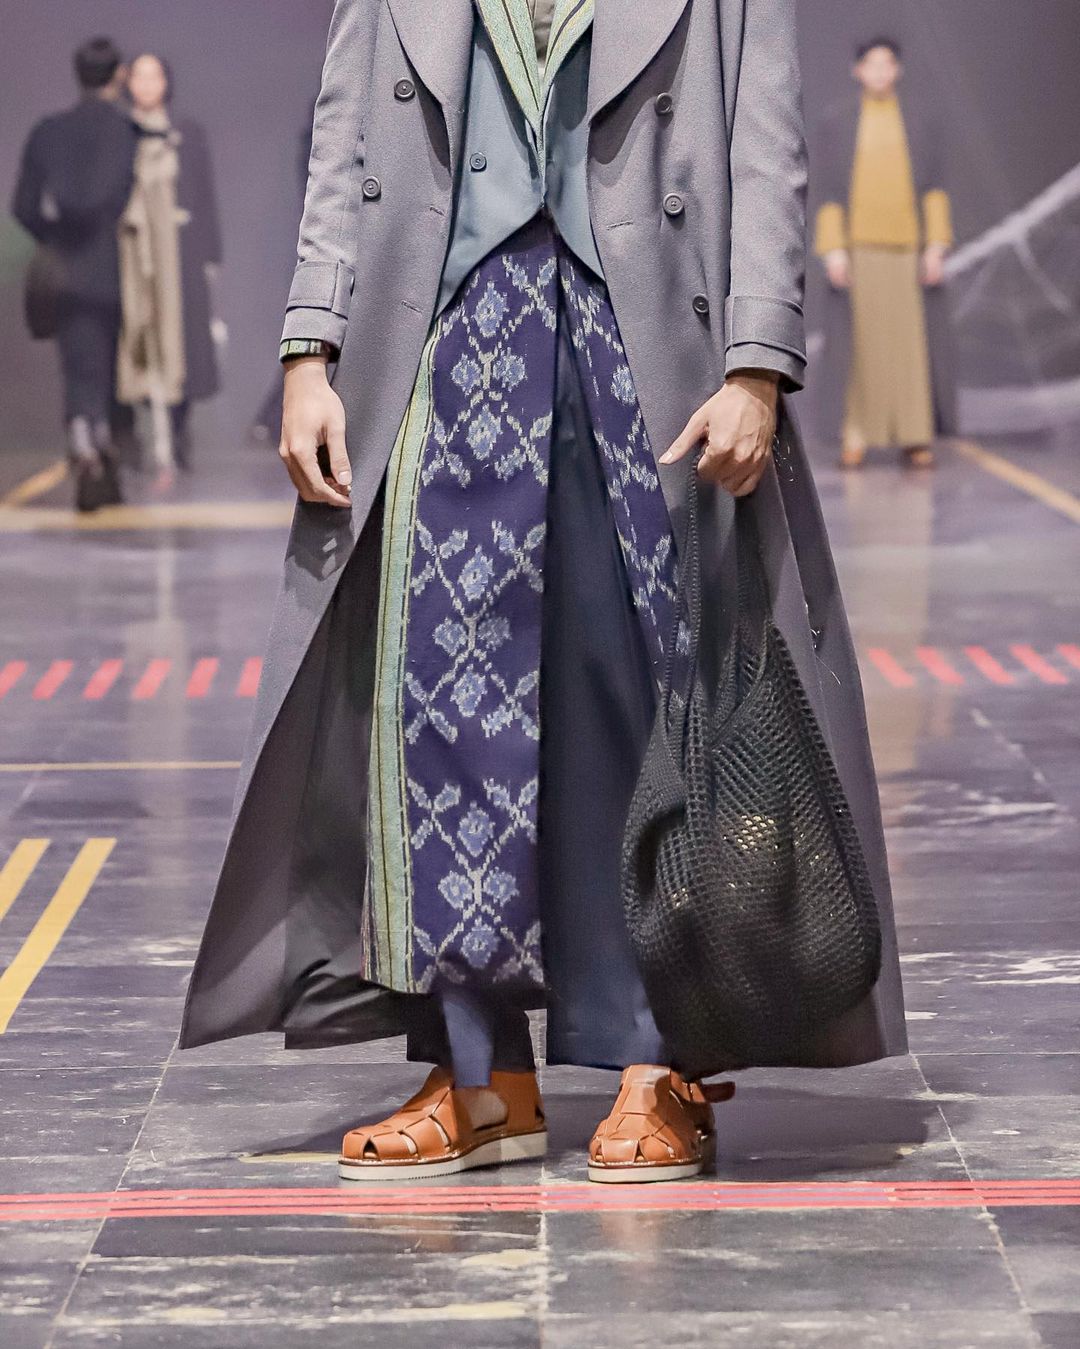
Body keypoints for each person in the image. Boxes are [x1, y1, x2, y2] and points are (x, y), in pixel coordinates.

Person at [180, 0, 905, 1184]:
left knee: (643, 694)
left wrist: (758, 365)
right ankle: (477, 1074)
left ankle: (657, 1060)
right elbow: (347, 132)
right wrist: (310, 348)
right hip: (449, 336)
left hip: (646, 344)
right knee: (446, 708)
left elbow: (763, 137)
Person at [814, 36, 958, 469]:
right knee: (860, 347)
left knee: (910, 347)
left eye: (887, 64)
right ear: (858, 70)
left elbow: (933, 186)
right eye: (872, 64)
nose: (879, 72)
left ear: (897, 70)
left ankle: (914, 434)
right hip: (859, 251)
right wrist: (834, 250)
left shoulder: (917, 120)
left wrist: (935, 245)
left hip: (907, 250)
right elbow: (828, 192)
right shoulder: (839, 122)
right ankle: (856, 433)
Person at [12, 37, 137, 511]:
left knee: (79, 365)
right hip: (115, 266)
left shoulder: (48, 131)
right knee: (112, 369)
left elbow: (23, 206)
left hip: (65, 269)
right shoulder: (126, 132)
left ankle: (86, 436)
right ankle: (104, 450)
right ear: (118, 75)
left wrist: (53, 235)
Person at [118, 54, 187, 489]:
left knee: (171, 343)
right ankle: (143, 448)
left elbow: (200, 198)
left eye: (154, 74)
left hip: (172, 260)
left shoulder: (182, 134)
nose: (146, 83)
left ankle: (171, 449)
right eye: (138, 75)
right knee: (134, 344)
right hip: (129, 255)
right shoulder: (117, 136)